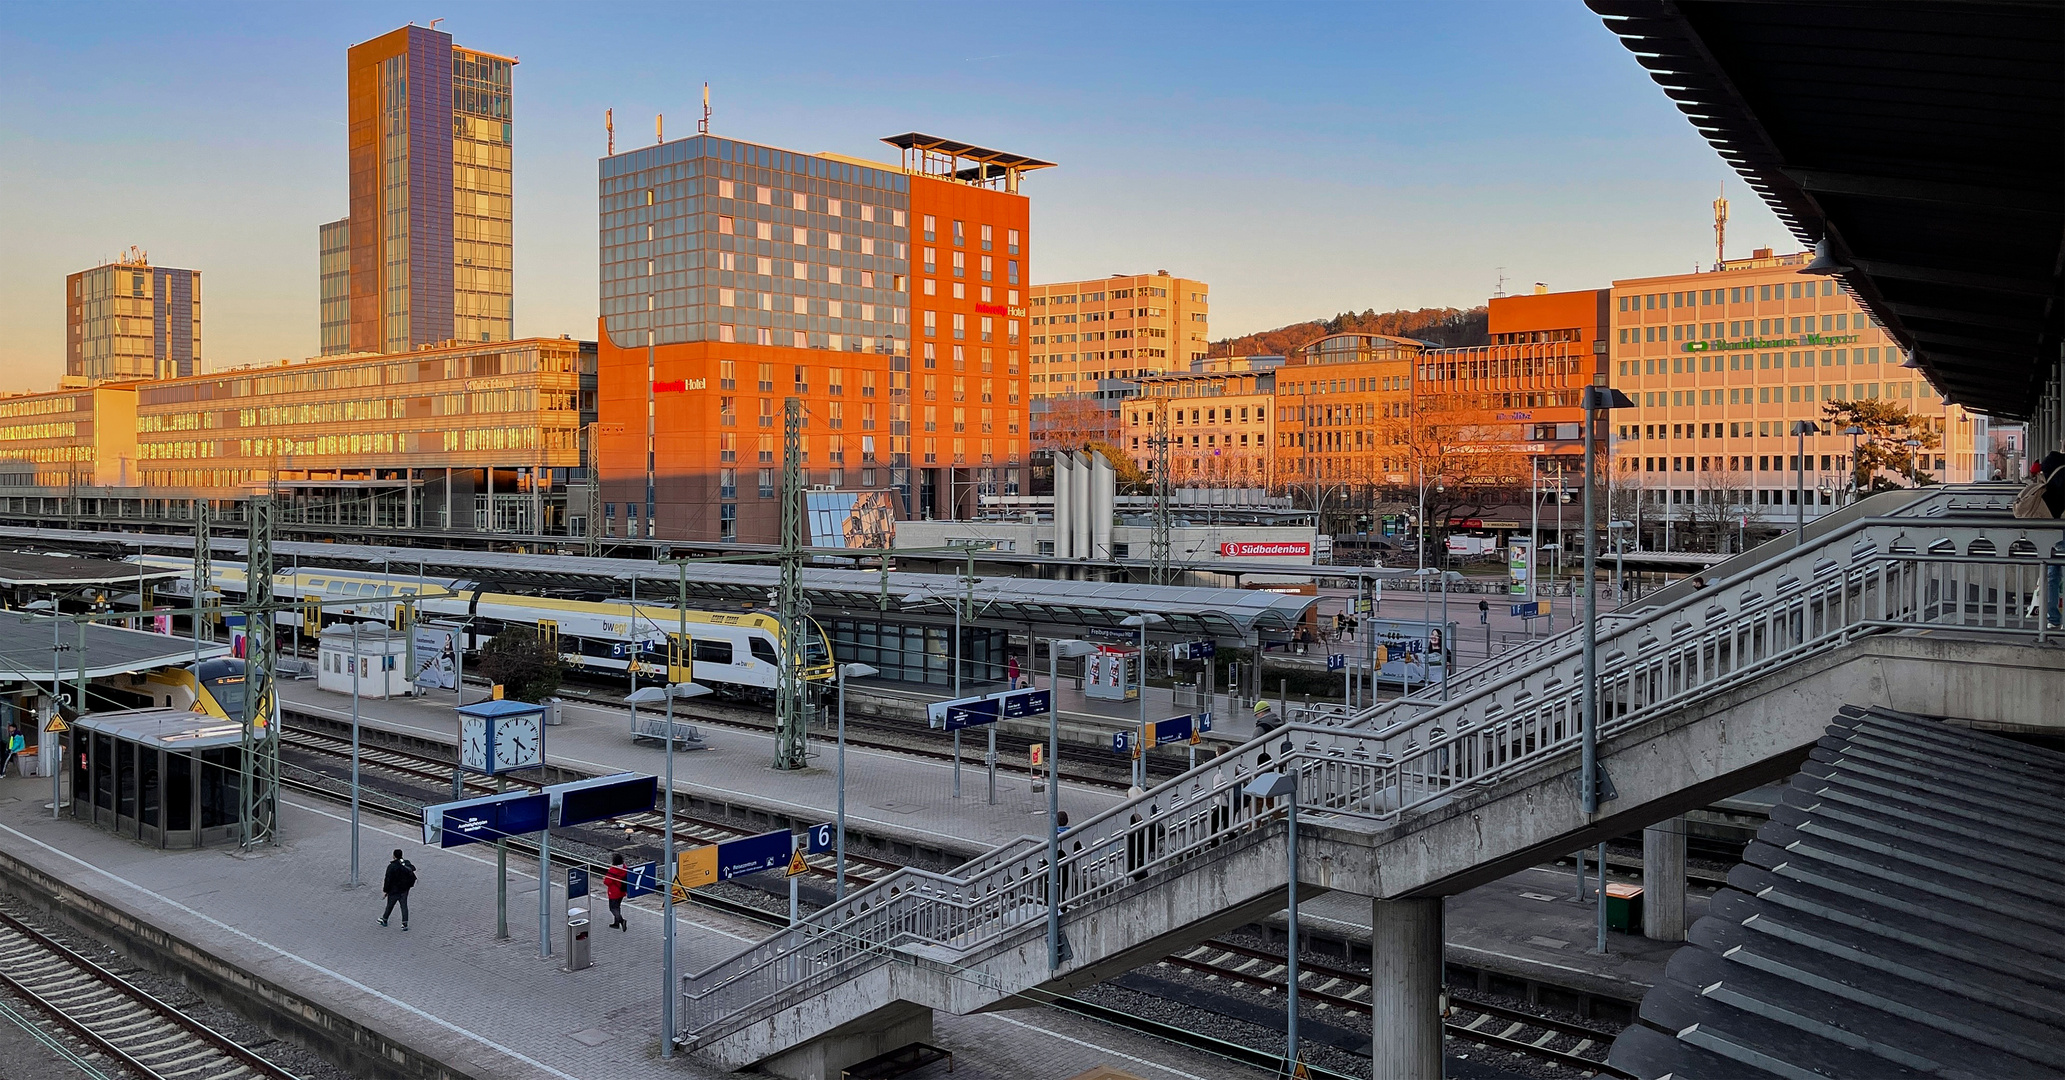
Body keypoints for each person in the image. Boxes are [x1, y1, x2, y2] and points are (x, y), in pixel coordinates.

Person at [2014, 451, 2065, 628]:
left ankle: (2053, 618)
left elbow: (2036, 472)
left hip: (2048, 523)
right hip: (2060, 523)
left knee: (2052, 572)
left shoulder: (2050, 461)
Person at [380, 849, 416, 930]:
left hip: (394, 890)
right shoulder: (406, 862)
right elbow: (413, 868)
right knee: (404, 906)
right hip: (405, 889)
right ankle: (404, 924)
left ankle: (385, 919)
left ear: (394, 856)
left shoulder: (392, 866)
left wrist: (385, 890)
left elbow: (388, 879)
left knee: (390, 905)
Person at [604, 854, 629, 931]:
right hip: (621, 891)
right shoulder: (625, 867)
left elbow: (607, 882)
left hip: (614, 892)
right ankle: (616, 923)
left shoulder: (613, 870)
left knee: (612, 908)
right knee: (617, 907)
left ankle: (621, 921)